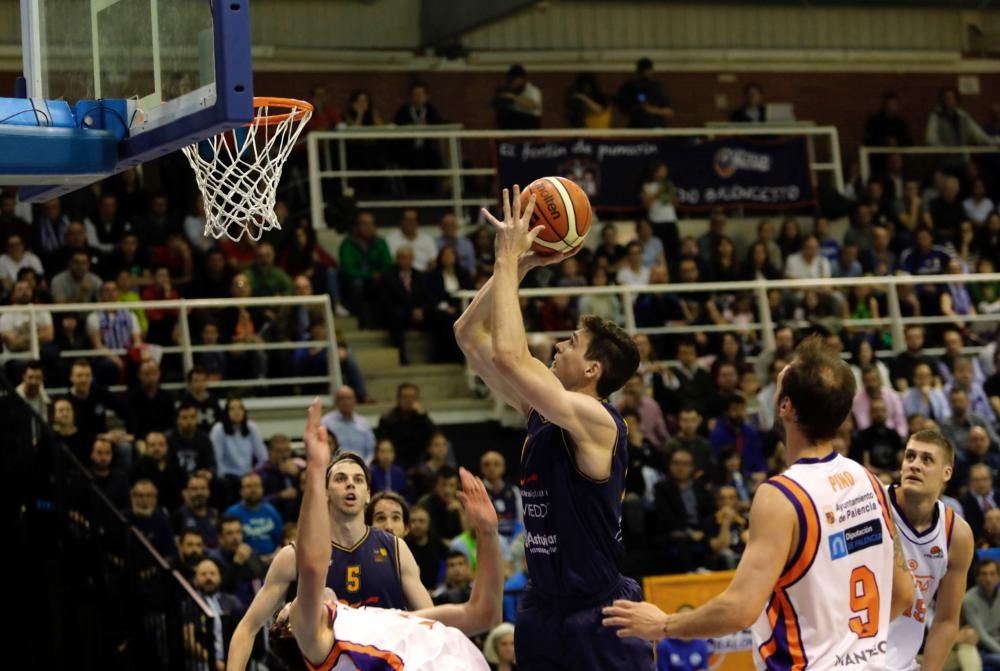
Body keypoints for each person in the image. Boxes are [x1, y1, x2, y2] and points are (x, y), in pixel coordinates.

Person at [602, 336, 915, 668]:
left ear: (785, 407)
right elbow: (904, 594)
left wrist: (663, 625)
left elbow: (740, 609)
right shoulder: (870, 481)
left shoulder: (782, 495)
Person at [454, 186, 652, 670]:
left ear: (593, 371)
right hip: (543, 608)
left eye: (571, 343)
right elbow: (468, 334)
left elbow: (509, 355)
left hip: (598, 612)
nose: (559, 347)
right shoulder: (541, 410)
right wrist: (523, 266)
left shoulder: (599, 422)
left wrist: (507, 257)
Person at [265, 400, 502, 671]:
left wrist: (488, 532)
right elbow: (311, 566)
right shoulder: (320, 646)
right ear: (293, 631)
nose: (298, 601)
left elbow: (484, 614)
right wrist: (316, 472)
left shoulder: (378, 621)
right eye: (290, 608)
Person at [226, 451, 433, 670]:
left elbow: (432, 625)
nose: (350, 485)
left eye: (358, 479)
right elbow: (247, 628)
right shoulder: (295, 556)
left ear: (368, 494)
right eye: (341, 478)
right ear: (325, 493)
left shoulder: (396, 548)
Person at [885, 430, 975, 671]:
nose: (914, 465)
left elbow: (946, 620)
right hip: (847, 658)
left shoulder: (957, 534)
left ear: (947, 472)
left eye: (927, 460)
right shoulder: (872, 505)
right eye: (910, 457)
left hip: (902, 664)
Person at [963, 559, 1000, 669]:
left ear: (998, 576)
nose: (988, 579)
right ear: (977, 577)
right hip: (982, 649)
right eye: (984, 574)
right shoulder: (968, 599)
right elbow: (982, 636)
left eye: (992, 574)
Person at [617, 57, 673, 128]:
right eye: (644, 71)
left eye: (647, 70)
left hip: (656, 126)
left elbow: (669, 112)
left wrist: (650, 110)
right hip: (638, 126)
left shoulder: (657, 88)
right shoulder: (632, 87)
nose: (646, 73)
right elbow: (624, 108)